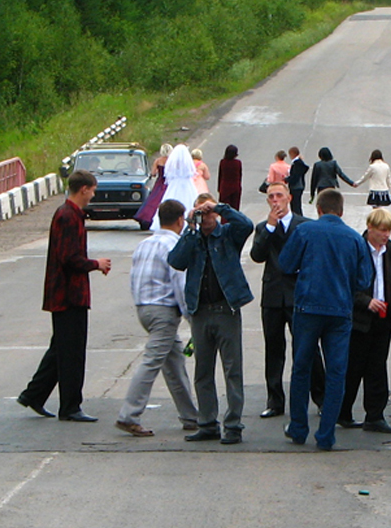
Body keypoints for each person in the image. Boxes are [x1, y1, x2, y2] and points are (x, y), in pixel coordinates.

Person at [278, 187, 372, 450]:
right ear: (341, 212)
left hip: (308, 308)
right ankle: (326, 434)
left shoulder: (305, 231)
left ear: (318, 209)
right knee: (336, 372)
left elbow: (286, 264)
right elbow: (364, 279)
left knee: (301, 369)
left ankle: (298, 427)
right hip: (340, 311)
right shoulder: (354, 239)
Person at [17, 170, 112, 422]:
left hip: (66, 293)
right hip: (68, 294)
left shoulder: (70, 214)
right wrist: (96, 264)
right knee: (71, 352)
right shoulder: (68, 216)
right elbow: (69, 258)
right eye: (92, 190)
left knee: (60, 347)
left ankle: (33, 395)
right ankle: (70, 407)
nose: (93, 195)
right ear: (84, 189)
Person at [167, 193, 254, 445]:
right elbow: (175, 261)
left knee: (232, 370)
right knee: (202, 371)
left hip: (226, 309)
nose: (204, 218)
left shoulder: (227, 235)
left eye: (208, 213)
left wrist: (220, 207)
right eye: (200, 212)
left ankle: (233, 425)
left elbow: (246, 225)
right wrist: (190, 230)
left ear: (215, 214)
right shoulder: (192, 239)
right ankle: (207, 422)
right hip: (200, 311)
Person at [115, 199, 200, 437]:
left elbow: (133, 276)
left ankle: (191, 416)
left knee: (174, 362)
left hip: (144, 307)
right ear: (181, 221)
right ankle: (129, 414)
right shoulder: (175, 245)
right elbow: (179, 283)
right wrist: (190, 316)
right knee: (152, 361)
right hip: (163, 310)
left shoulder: (145, 243)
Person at [250, 181, 325, 419]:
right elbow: (257, 255)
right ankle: (274, 400)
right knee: (274, 348)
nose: (275, 201)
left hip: (298, 295)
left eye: (279, 196)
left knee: (307, 348)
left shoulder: (304, 226)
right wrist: (270, 228)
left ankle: (321, 397)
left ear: (289, 198)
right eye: (271, 197)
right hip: (272, 295)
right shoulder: (263, 228)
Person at [338, 208, 391, 434]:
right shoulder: (357, 248)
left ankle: (375, 415)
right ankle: (342, 411)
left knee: (377, 368)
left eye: (389, 231)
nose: (386, 235)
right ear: (371, 228)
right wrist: (366, 301)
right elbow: (346, 284)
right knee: (353, 367)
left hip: (383, 319)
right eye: (383, 230)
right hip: (359, 319)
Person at [156, 144, 199, 228]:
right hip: (186, 183)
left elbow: (169, 172)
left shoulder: (173, 162)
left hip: (175, 183)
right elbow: (191, 172)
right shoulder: (186, 162)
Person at [134, 143, 172, 230]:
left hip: (160, 183)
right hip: (169, 182)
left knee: (153, 199)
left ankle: (147, 218)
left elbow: (153, 173)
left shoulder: (158, 161)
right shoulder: (172, 161)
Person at [218, 145, 242, 212]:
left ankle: (224, 221)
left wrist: (219, 188)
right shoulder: (238, 163)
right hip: (235, 187)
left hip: (224, 188)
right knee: (234, 209)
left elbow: (220, 176)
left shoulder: (223, 162)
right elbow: (240, 176)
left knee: (224, 209)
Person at [286, 147, 309, 216]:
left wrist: (287, 179)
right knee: (295, 204)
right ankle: (296, 216)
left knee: (295, 204)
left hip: (296, 186)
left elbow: (295, 175)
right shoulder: (297, 162)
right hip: (298, 186)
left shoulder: (297, 163)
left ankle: (297, 217)